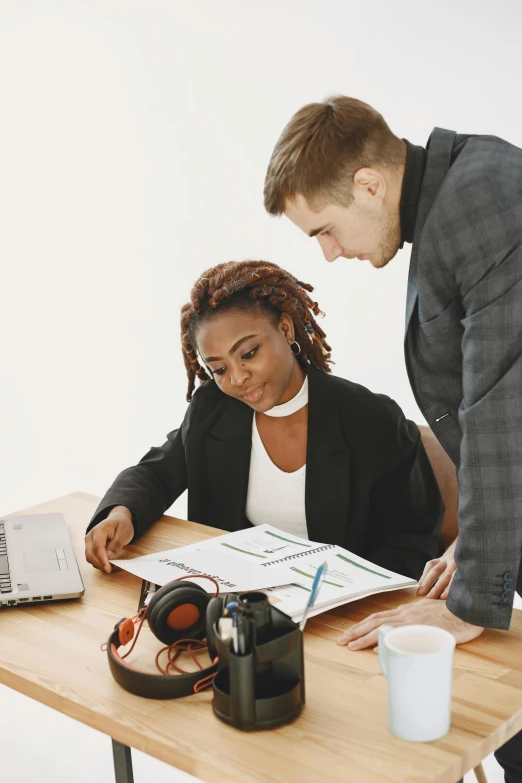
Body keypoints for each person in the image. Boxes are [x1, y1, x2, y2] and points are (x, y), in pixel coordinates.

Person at [263, 96, 522, 781]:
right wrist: (473, 547)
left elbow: (502, 406)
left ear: (370, 185)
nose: (328, 252)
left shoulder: (480, 202)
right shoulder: (458, 193)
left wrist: (469, 601)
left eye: (324, 228)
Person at [85, 260, 443, 588]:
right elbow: (158, 472)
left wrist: (339, 589)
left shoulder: (370, 418)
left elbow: (411, 541)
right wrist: (121, 512)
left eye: (249, 353)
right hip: (242, 606)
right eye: (219, 369)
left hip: (341, 612)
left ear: (286, 329)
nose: (237, 378)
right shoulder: (213, 408)